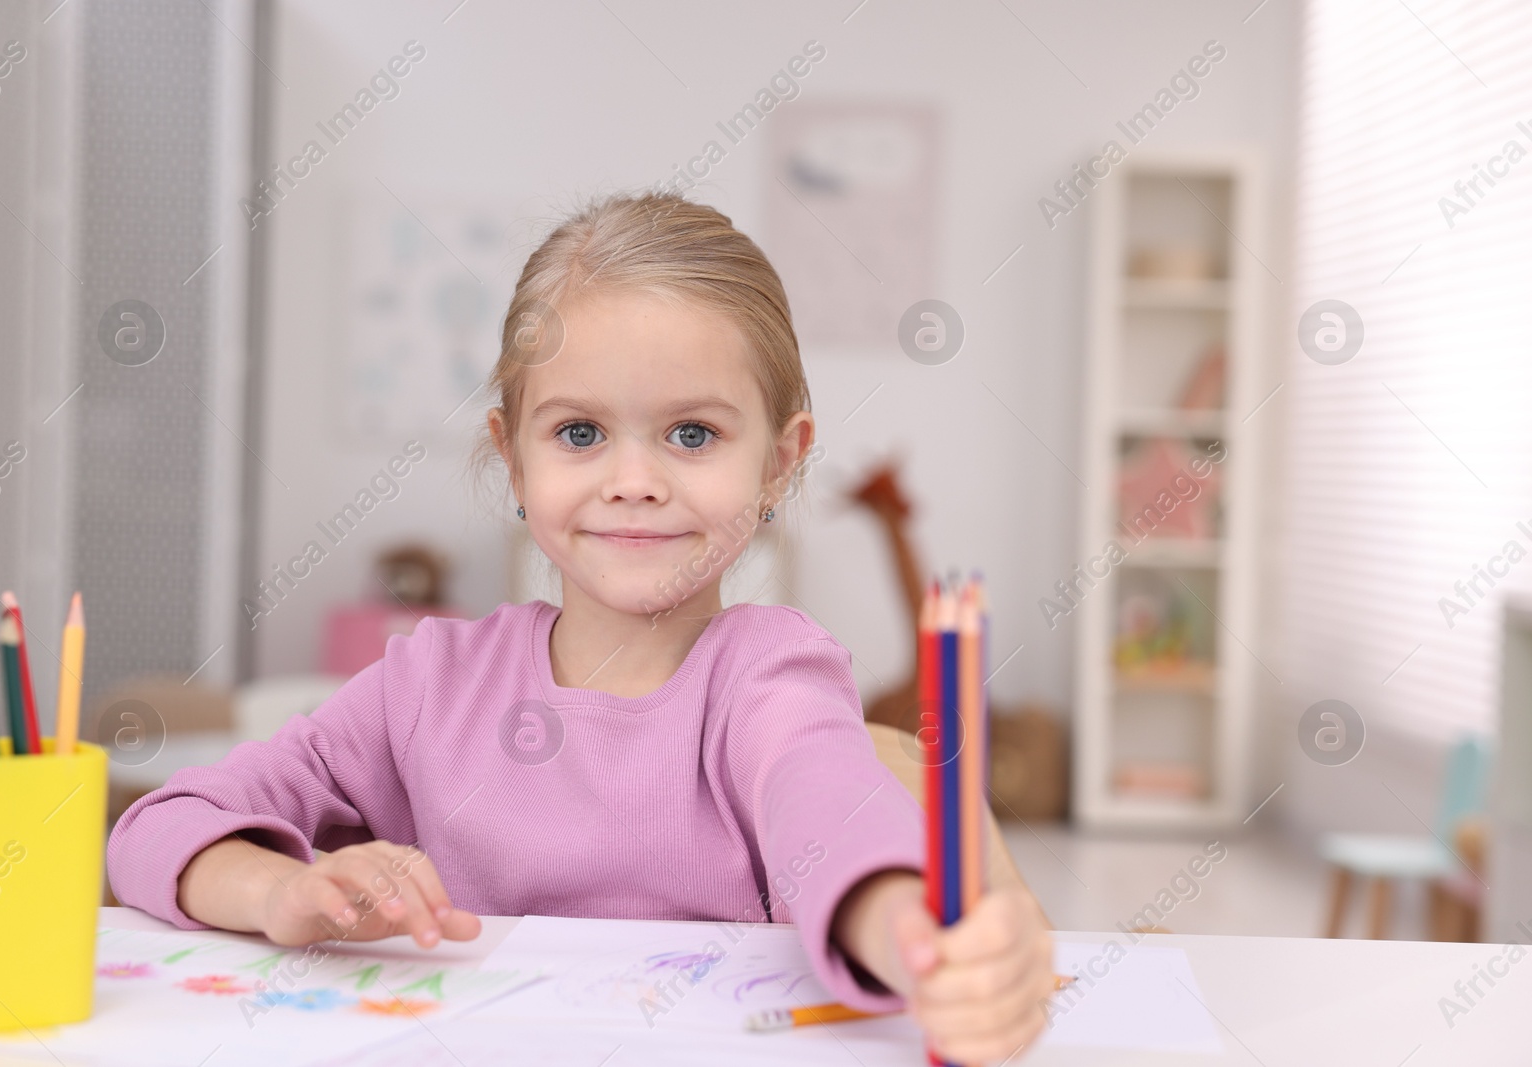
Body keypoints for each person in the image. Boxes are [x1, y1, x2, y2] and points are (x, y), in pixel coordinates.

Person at [107, 191, 1054, 1063]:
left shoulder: (773, 675)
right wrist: (278, 892)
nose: (632, 480)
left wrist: (912, 936)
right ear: (511, 460)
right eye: (579, 432)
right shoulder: (427, 683)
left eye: (692, 433)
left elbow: (831, 810)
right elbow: (161, 829)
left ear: (780, 463)